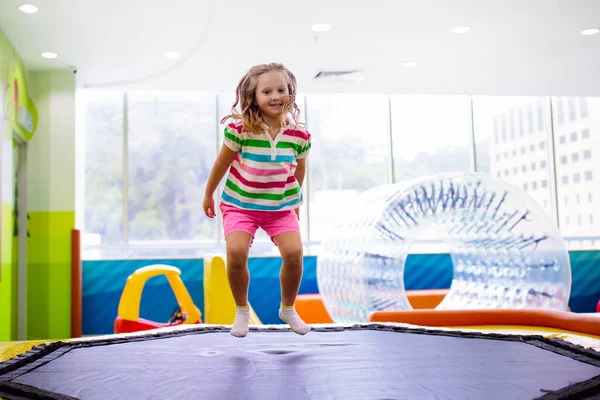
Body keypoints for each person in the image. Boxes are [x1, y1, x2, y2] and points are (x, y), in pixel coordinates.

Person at [203, 63, 312, 337]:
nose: (276, 96)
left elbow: (299, 170)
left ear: (291, 93)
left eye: (282, 89)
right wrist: (208, 194)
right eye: (267, 91)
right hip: (240, 205)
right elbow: (221, 164)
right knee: (237, 253)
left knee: (294, 254)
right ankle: (241, 311)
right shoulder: (240, 130)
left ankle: (288, 308)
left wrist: (295, 202)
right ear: (253, 97)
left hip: (280, 208)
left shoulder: (299, 136)